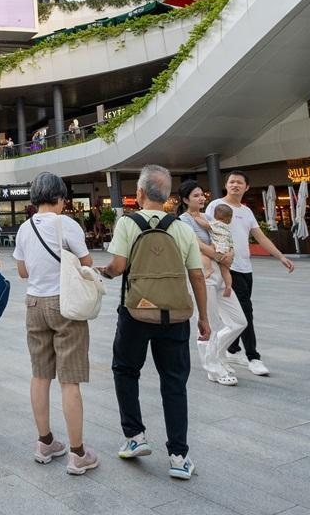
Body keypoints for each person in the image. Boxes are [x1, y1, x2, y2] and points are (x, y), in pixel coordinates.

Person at [99, 165, 209, 481]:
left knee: (125, 370)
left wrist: (104, 271)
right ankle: (178, 456)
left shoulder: (127, 223)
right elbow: (197, 276)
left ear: (141, 193)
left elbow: (118, 266)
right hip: (175, 315)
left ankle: (135, 437)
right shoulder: (182, 227)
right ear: (169, 196)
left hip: (135, 312)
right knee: (174, 381)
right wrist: (203, 317)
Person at [13, 171, 99, 475]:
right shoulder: (68, 224)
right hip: (65, 304)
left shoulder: (25, 229)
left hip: (34, 304)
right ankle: (78, 454)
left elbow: (22, 271)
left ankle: (45, 442)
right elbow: (86, 262)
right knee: (69, 379)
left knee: (40, 375)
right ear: (60, 198)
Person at [207, 171, 294, 377]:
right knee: (246, 312)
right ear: (226, 185)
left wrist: (280, 256)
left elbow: (260, 237)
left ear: (246, 187)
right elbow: (208, 232)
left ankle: (232, 349)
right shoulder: (216, 205)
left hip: (246, 268)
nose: (235, 185)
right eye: (231, 182)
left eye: (239, 183)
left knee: (242, 311)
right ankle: (253, 357)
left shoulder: (246, 212)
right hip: (229, 267)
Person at [175, 182, 245, 386]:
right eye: (196, 195)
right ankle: (213, 368)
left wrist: (229, 254)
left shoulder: (207, 217)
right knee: (208, 324)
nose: (201, 198)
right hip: (202, 275)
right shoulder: (183, 220)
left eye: (202, 194)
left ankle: (217, 355)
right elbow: (194, 244)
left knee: (239, 321)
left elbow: (223, 236)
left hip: (221, 274)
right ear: (186, 199)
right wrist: (218, 255)